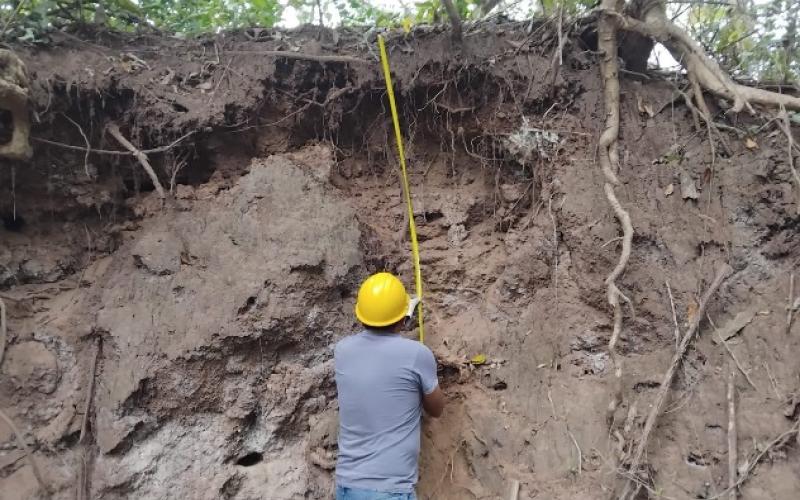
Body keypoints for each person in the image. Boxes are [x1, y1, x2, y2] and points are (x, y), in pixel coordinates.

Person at [334, 272, 446, 500]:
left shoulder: (342, 351)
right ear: (404, 317)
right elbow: (436, 409)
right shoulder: (417, 354)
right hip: (390, 490)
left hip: (347, 486)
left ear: (360, 315)